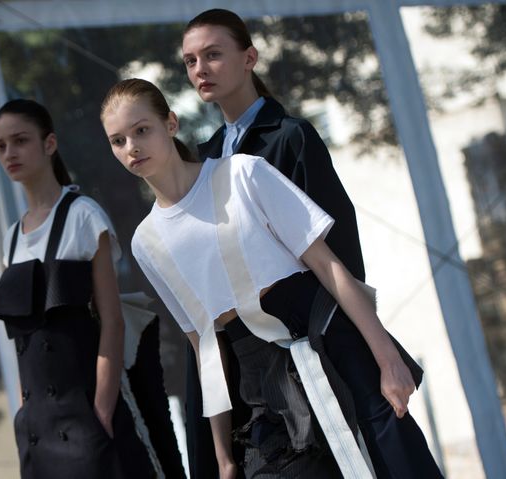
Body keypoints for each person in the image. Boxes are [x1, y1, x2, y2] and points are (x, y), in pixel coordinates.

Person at [100, 78, 442, 478]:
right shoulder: (146, 243)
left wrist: (389, 361)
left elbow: (329, 267)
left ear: (171, 124)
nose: (132, 148)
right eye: (118, 140)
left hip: (334, 352)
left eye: (142, 130)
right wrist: (224, 457)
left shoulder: (243, 173)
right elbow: (204, 349)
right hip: (263, 394)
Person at [180, 8, 439, 479]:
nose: (201, 69)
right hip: (261, 364)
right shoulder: (206, 161)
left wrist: (381, 356)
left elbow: (341, 256)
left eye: (214, 54)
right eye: (191, 61)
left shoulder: (291, 137)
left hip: (326, 340)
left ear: (250, 58)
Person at [0, 99, 154, 478]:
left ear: (49, 144)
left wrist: (103, 411)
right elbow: (22, 342)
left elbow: (112, 321)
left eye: (20, 141)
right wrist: (22, 413)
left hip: (84, 416)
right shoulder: (11, 236)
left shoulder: (83, 215)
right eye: (0, 146)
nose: (9, 153)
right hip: (35, 429)